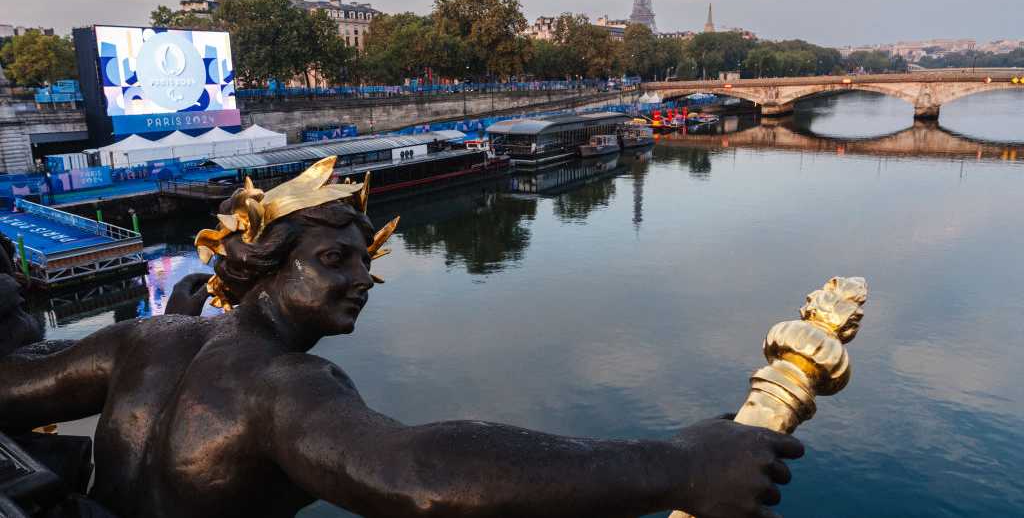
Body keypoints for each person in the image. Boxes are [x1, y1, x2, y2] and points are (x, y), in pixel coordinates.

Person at [0, 158, 801, 518]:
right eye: (335, 258)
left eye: (366, 259)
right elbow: (415, 476)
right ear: (267, 266)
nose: (364, 277)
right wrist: (680, 465)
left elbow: (9, 385)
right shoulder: (287, 388)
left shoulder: (142, 336)